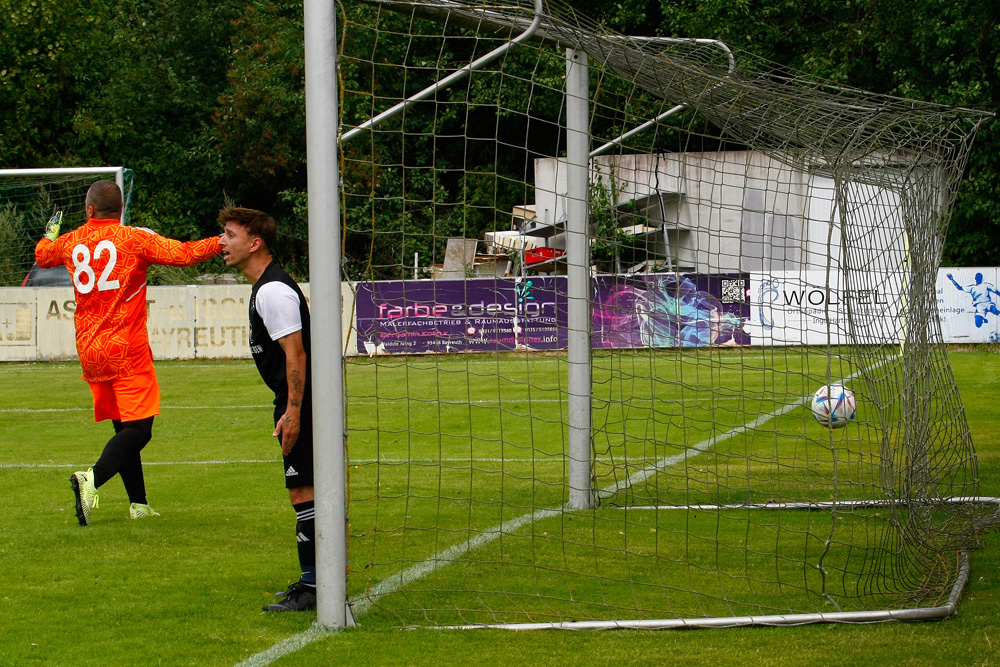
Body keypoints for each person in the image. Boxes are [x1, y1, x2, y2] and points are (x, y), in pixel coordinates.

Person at [34, 180, 222, 525]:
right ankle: (91, 478)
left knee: (124, 428)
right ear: (120, 209)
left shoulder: (72, 239)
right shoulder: (133, 238)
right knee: (140, 430)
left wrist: (49, 233)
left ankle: (139, 504)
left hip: (90, 348)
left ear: (89, 210)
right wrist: (220, 241)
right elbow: (184, 254)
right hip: (126, 348)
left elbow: (42, 256)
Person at [217, 206, 316, 613]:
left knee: (304, 490)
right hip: (300, 401)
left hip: (304, 402)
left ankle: (313, 588)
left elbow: (296, 354)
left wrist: (293, 411)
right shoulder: (265, 287)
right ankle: (316, 580)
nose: (221, 242)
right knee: (305, 490)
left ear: (254, 243)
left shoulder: (273, 290)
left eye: (229, 235)